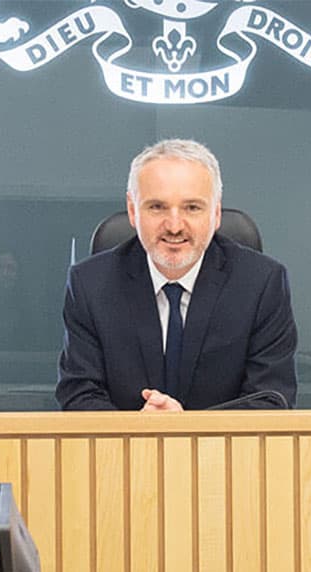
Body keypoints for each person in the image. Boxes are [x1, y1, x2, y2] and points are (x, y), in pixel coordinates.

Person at [56, 138, 297, 411]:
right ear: (133, 211)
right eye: (157, 207)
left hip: (226, 453)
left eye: (192, 208)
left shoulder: (261, 284)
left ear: (216, 213)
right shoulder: (90, 285)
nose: (174, 226)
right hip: (125, 451)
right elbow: (78, 395)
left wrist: (184, 431)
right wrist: (136, 431)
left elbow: (272, 399)